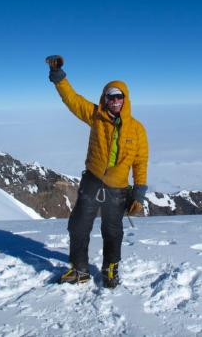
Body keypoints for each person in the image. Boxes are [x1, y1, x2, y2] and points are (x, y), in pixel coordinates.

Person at [46, 55, 149, 288]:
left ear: (125, 99)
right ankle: (79, 268)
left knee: (112, 231)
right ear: (104, 99)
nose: (114, 101)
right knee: (78, 226)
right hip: (92, 182)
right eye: (110, 97)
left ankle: (110, 269)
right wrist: (58, 77)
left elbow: (140, 161)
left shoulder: (137, 129)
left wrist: (139, 191)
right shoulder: (96, 116)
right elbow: (73, 100)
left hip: (118, 189)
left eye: (118, 97)